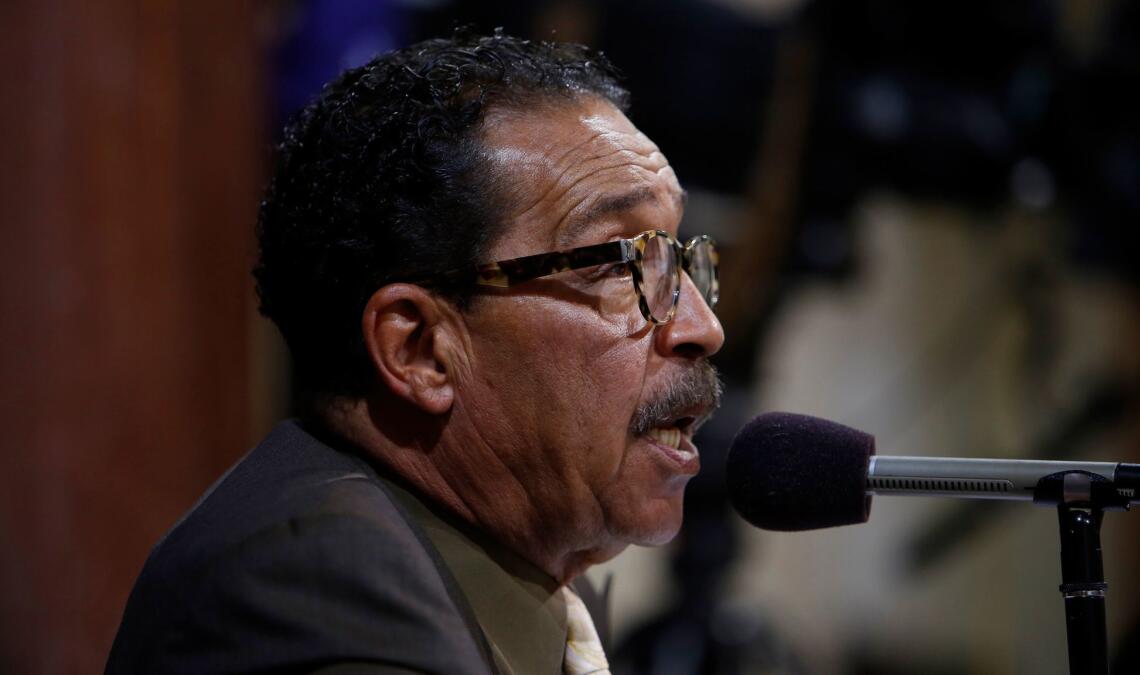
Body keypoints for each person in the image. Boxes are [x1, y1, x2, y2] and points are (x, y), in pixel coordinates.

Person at [105, 30, 724, 675]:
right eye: (623, 264)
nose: (703, 327)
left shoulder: (521, 587)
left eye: (678, 258)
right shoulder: (319, 593)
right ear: (421, 351)